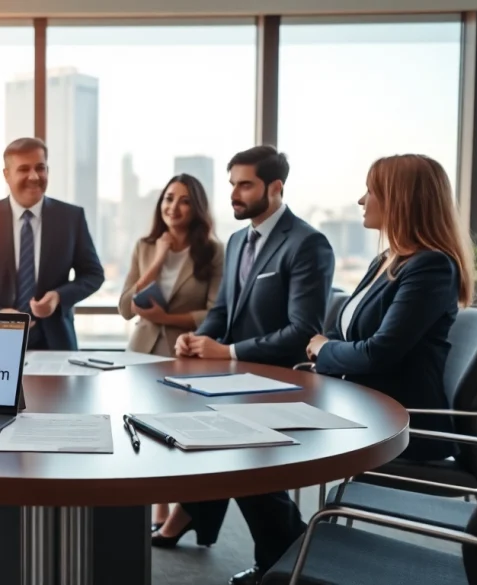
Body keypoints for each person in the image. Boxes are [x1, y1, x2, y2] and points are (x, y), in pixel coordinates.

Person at [163, 145, 335, 585]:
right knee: (187, 432)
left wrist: (232, 352)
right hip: (234, 379)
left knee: (242, 462)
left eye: (245, 185)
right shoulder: (240, 239)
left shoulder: (307, 243)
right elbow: (224, 309)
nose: (235, 194)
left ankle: (288, 560)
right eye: (232, 184)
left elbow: (303, 330)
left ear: (275, 188)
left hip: (281, 381)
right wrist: (202, 339)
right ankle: (216, 523)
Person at [0, 136, 105, 535]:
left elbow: (93, 274)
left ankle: (60, 502)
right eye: (24, 169)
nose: (35, 176)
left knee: (58, 425)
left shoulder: (71, 217)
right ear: (7, 175)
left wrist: (60, 296)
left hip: (56, 344)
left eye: (42, 167)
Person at [307, 154, 475, 462]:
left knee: (272, 444)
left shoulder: (431, 267)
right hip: (359, 408)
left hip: (399, 428)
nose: (361, 200)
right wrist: (330, 346)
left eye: (370, 191)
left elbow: (378, 352)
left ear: (399, 200)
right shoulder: (386, 259)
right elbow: (341, 330)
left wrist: (324, 349)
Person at [117, 173, 224, 531]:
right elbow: (124, 307)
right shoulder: (146, 246)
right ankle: (158, 505)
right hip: (141, 350)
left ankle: (182, 507)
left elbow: (214, 311)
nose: (173, 207)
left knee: (181, 431)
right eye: (167, 199)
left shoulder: (213, 250)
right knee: (143, 428)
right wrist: (158, 258)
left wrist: (169, 317)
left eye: (183, 200)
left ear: (196, 207)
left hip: (186, 354)